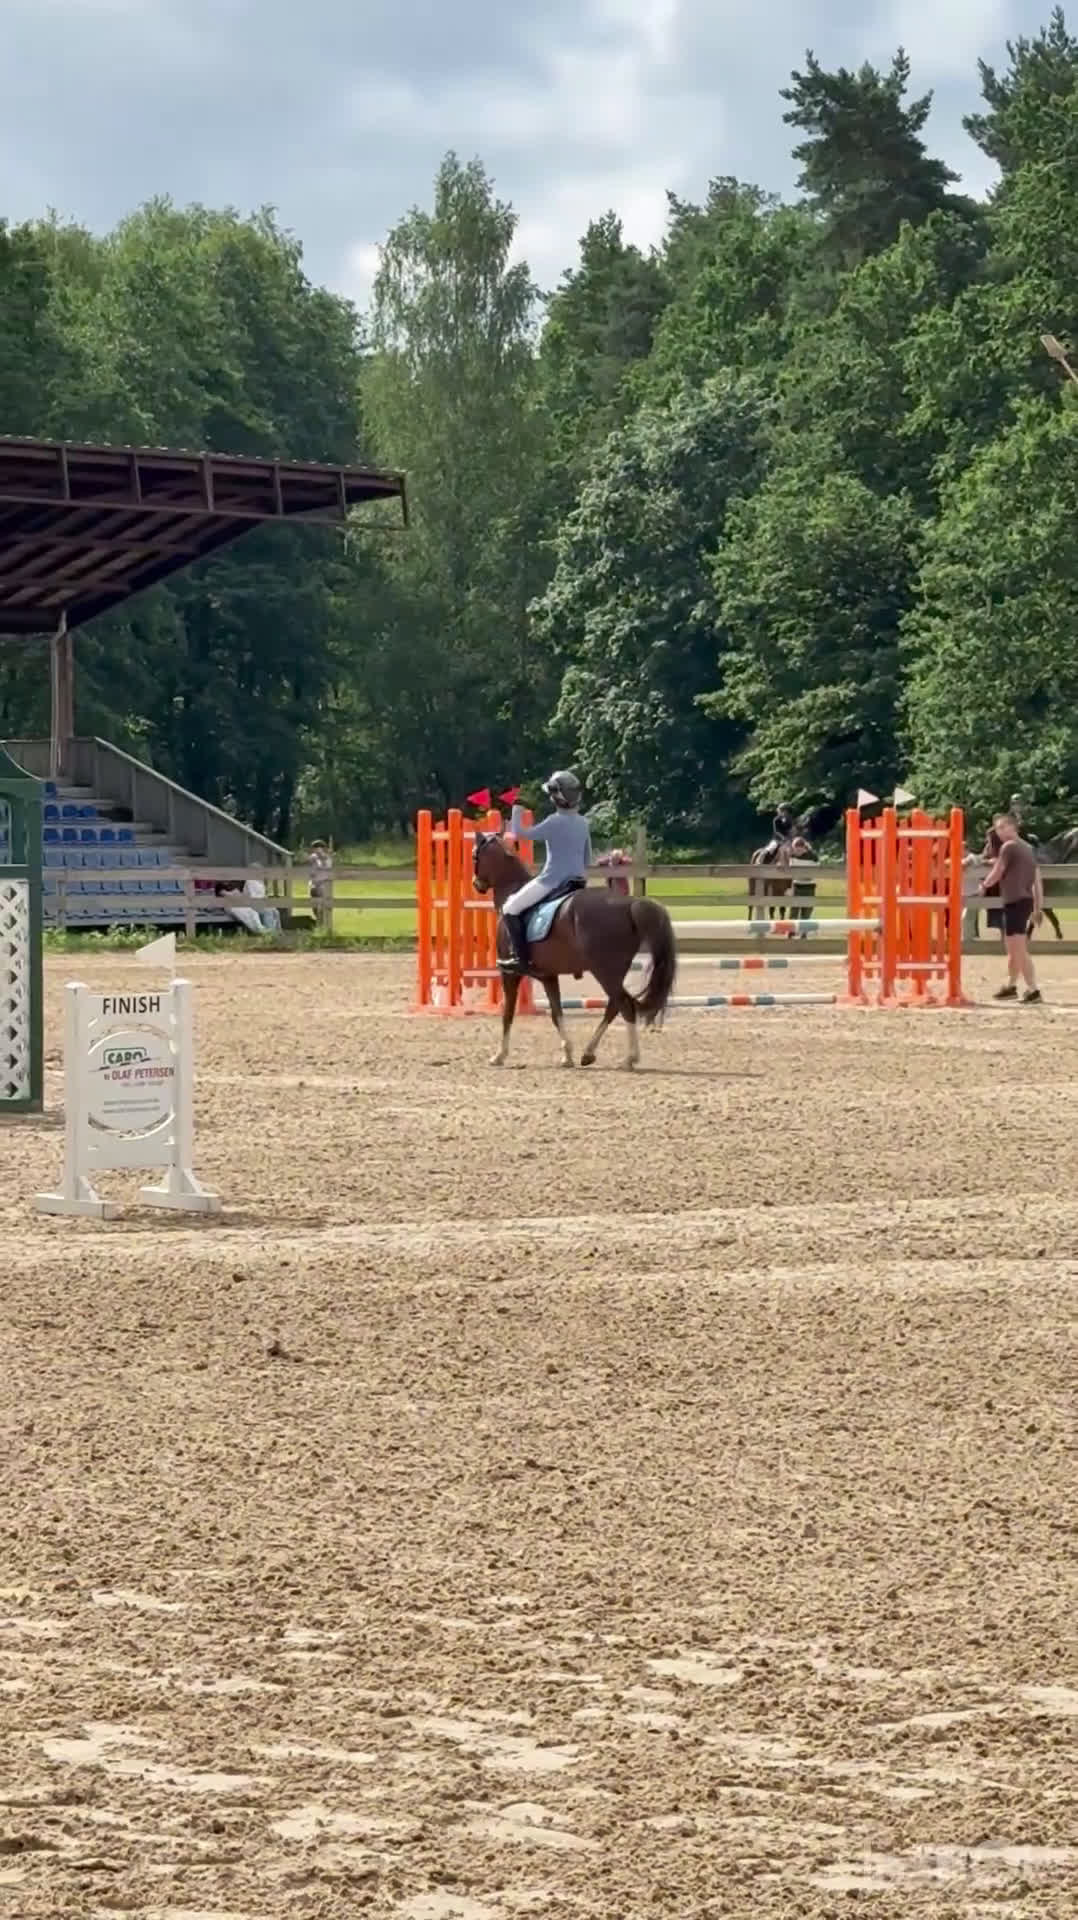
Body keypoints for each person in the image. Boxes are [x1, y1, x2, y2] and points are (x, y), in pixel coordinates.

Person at [501, 770, 592, 973]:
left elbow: (520, 833)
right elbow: (588, 859)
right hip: (578, 881)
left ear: (555, 797)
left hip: (552, 881)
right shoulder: (584, 823)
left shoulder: (553, 821)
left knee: (510, 908)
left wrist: (516, 810)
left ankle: (520, 959)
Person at [979, 813, 1043, 1002]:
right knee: (1013, 946)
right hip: (1022, 901)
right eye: (997, 828)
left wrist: (984, 885)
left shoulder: (1009, 846)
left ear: (1012, 827)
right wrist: (1038, 905)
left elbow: (998, 871)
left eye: (1002, 827)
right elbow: (1036, 879)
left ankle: (1033, 989)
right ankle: (1011, 985)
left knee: (1018, 948)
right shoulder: (1027, 848)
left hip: (1015, 901)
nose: (999, 832)